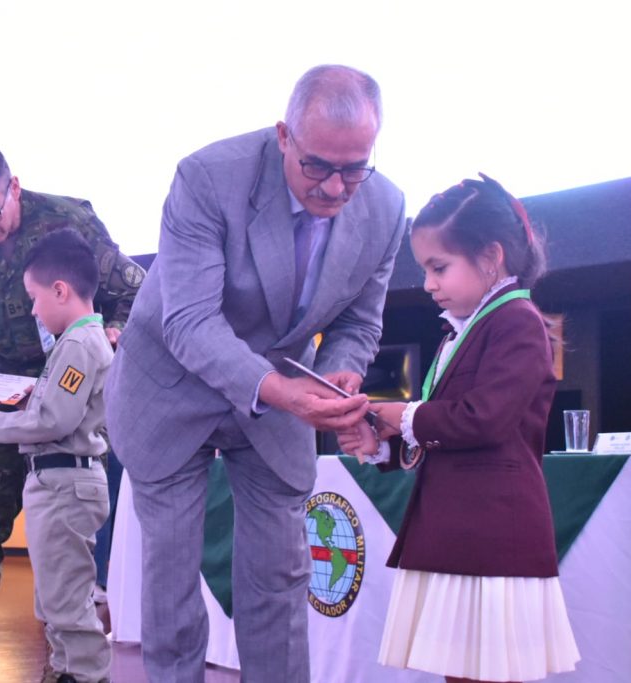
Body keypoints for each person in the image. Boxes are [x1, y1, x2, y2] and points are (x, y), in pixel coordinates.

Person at [103, 64, 407, 682]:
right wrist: (282, 392)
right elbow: (190, 322)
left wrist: (338, 376)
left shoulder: (386, 207)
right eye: (318, 166)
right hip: (169, 389)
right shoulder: (208, 178)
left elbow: (359, 322)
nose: (335, 188)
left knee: (281, 578)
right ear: (284, 136)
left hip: (281, 398)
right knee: (172, 588)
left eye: (354, 169)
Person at [338, 175, 580, 682]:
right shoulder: (466, 328)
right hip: (458, 528)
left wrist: (401, 416)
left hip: (493, 532)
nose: (428, 284)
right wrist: (382, 440)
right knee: (460, 672)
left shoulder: (517, 320)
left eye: (439, 267)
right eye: (426, 270)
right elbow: (446, 433)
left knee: (485, 674)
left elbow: (483, 419)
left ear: (491, 257)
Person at [0, 142, 143, 681]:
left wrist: (113, 334)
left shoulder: (69, 223)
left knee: (64, 553)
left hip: (70, 387)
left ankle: (62, 666)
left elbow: (135, 291)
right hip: (2, 393)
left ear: (14, 187)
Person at [0, 229, 112, 683]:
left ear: (60, 290)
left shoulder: (77, 344)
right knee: (56, 598)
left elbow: (56, 419)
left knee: (67, 600)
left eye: (34, 298)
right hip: (61, 480)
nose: (32, 310)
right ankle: (65, 673)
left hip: (64, 482)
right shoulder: (80, 342)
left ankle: (85, 676)